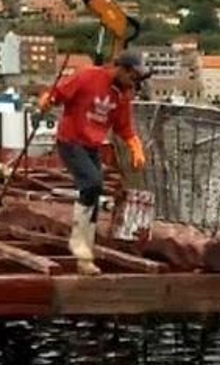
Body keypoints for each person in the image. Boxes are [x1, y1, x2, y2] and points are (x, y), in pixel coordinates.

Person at [36, 51, 149, 275]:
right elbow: (58, 94)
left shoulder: (123, 95)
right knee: (92, 184)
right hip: (71, 141)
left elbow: (123, 128)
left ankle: (85, 257)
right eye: (133, 78)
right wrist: (47, 101)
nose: (134, 84)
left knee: (93, 196)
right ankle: (78, 244)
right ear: (122, 69)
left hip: (91, 146)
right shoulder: (88, 76)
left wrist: (135, 145)